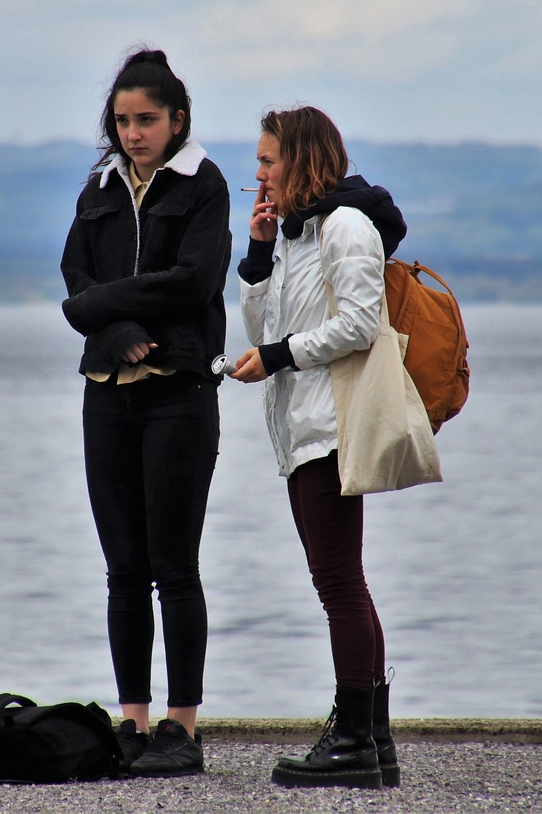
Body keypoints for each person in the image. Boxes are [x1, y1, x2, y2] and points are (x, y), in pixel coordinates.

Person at [59, 48, 232, 778]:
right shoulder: (98, 186)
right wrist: (119, 330)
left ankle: (181, 727)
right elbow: (76, 280)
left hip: (179, 392)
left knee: (174, 564)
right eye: (125, 121)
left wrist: (104, 308)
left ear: (177, 120)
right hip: (108, 389)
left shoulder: (203, 183)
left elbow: (195, 279)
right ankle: (131, 721)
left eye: (148, 120)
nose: (134, 133)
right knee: (123, 567)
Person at [228, 106, 408, 790]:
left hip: (331, 426)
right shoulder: (298, 235)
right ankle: (374, 737)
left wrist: (275, 356)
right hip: (300, 425)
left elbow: (361, 324)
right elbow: (263, 323)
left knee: (337, 582)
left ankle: (355, 737)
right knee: (344, 579)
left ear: (301, 159)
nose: (258, 173)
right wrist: (256, 253)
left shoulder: (347, 227)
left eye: (267, 160)